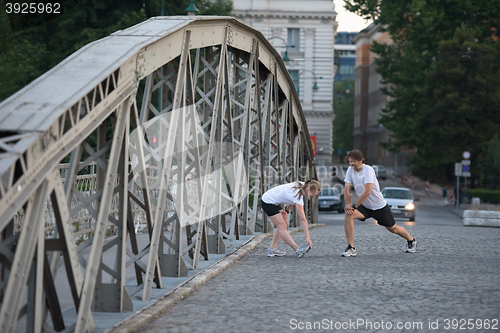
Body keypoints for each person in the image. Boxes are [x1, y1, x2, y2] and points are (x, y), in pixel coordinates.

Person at [342, 150, 417, 257]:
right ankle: (351, 247)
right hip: (364, 206)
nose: (351, 164)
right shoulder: (350, 170)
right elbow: (347, 188)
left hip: (379, 207)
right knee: (348, 214)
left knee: (394, 229)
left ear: (360, 161)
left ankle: (411, 240)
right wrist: (348, 204)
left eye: (353, 161)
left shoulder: (368, 170)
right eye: (349, 161)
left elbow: (367, 192)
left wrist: (354, 206)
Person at [261, 180, 321, 258]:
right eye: (313, 194)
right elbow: (303, 219)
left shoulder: (303, 185)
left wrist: (287, 210)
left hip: (273, 199)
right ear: (307, 190)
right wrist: (308, 238)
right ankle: (297, 249)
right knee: (282, 226)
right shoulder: (298, 197)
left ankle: (272, 249)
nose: (313, 197)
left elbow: (290, 198)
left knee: (284, 225)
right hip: (268, 201)